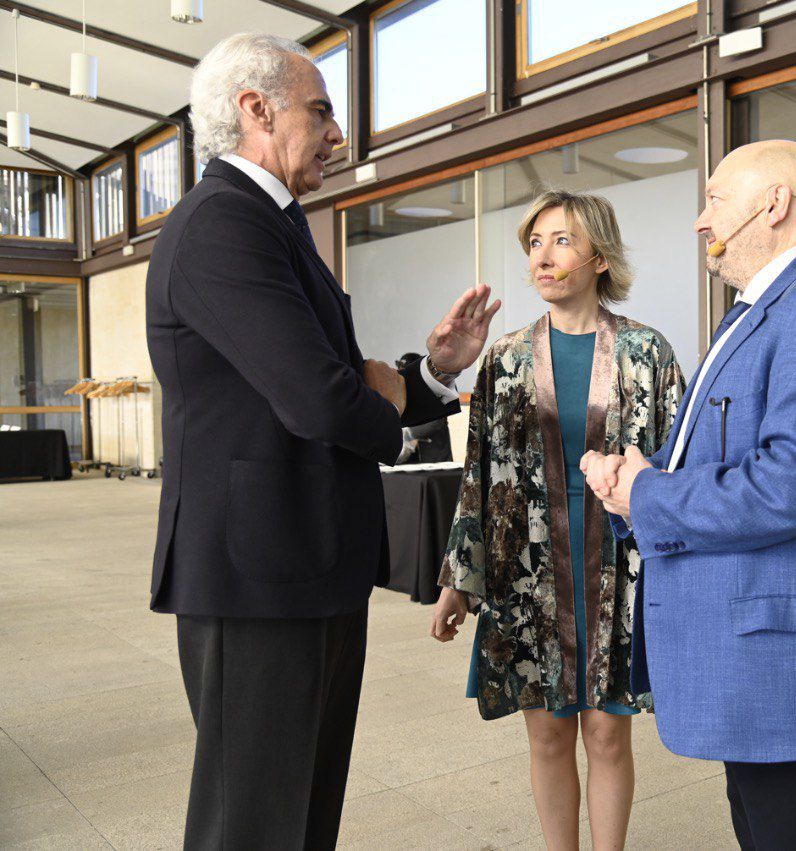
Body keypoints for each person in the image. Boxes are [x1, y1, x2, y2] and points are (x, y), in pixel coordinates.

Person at [145, 33, 499, 849]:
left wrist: (430, 373)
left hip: (301, 567)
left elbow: (343, 381)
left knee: (300, 816)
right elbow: (318, 394)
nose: (338, 135)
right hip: (257, 576)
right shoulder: (222, 226)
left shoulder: (274, 225)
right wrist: (387, 423)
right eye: (322, 110)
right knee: (254, 822)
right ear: (256, 109)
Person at [581, 140, 796, 850]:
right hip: (771, 674)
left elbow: (795, 483)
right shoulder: (768, 309)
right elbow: (743, 457)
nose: (699, 221)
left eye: (714, 198)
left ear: (773, 204)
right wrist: (638, 479)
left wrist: (648, 496)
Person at [431, 190, 684, 851]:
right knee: (546, 733)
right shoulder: (506, 358)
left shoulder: (647, 352)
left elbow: (680, 466)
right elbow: (478, 474)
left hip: (616, 562)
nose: (544, 256)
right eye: (536, 242)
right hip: (527, 569)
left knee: (606, 730)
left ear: (599, 256)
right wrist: (460, 579)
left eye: (562, 241)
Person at [394, 352, 454, 464]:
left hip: (436, 465)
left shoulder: (435, 390)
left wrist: (407, 432)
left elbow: (435, 422)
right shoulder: (403, 394)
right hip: (410, 466)